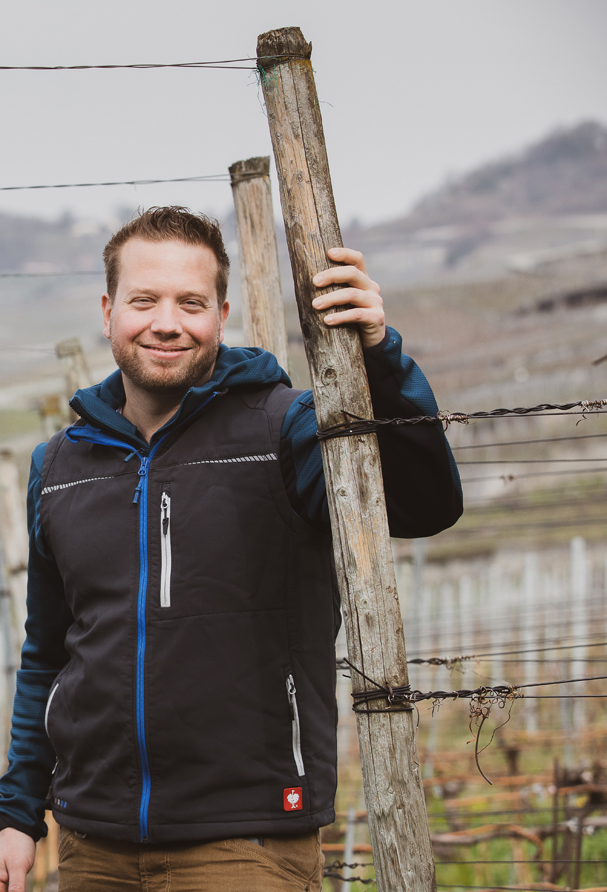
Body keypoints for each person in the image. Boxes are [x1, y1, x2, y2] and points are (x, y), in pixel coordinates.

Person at [0, 207, 462, 892]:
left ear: (220, 315)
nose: (166, 322)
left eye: (190, 303)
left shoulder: (286, 433)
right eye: (143, 300)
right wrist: (17, 812)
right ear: (107, 311)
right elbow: (48, 653)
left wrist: (379, 354)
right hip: (93, 846)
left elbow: (425, 504)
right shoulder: (59, 466)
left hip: (245, 842)